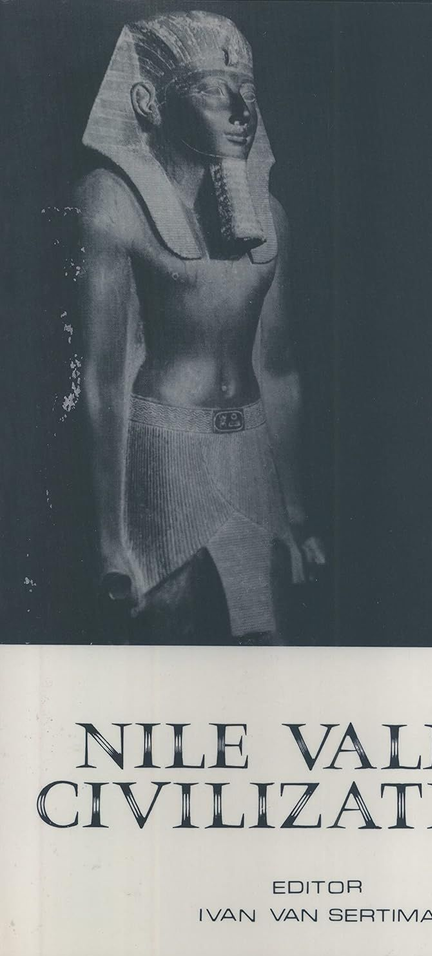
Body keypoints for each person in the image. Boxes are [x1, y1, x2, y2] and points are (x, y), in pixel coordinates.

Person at [76, 11, 324, 644]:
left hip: (251, 451)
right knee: (169, 636)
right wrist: (109, 540)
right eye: (212, 90)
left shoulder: (271, 215)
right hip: (164, 452)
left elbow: (277, 369)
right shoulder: (110, 201)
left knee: (266, 638)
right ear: (147, 104)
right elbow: (102, 382)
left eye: (247, 90)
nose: (241, 110)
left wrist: (296, 510)